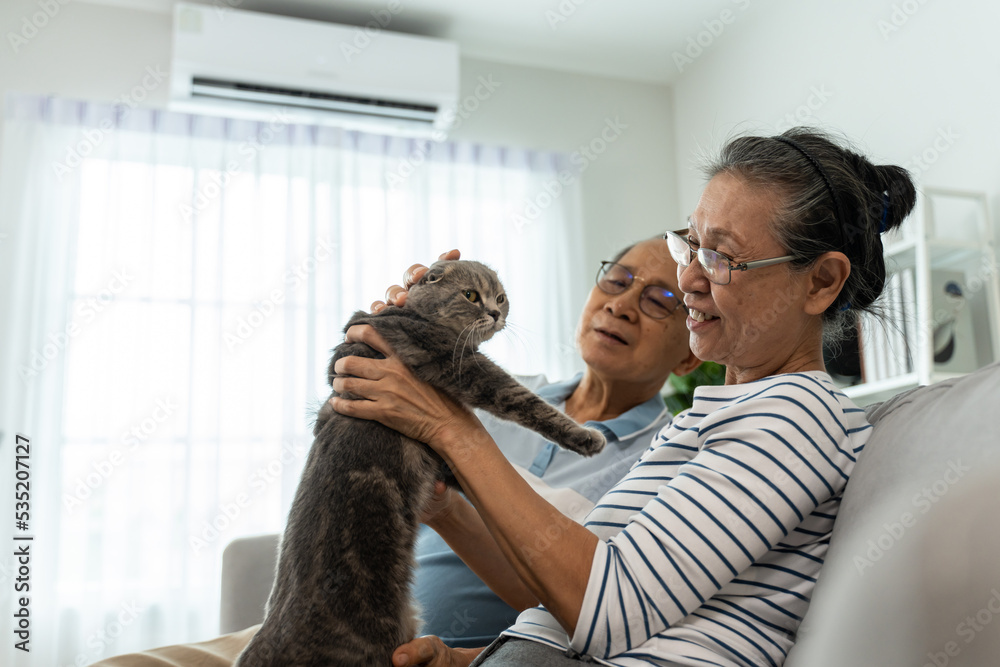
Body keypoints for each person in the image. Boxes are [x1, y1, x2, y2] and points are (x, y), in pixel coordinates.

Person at [329, 127, 916, 667]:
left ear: (820, 282)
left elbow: (610, 610)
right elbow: (649, 620)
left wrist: (446, 428)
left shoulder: (794, 417)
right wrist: (471, 659)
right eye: (692, 243)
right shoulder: (722, 418)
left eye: (723, 257)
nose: (689, 277)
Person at [92, 239, 700, 667]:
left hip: (434, 650)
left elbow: (597, 611)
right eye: (617, 279)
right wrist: (396, 334)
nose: (622, 303)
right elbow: (343, 406)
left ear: (690, 353)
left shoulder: (665, 460)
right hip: (307, 623)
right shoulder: (488, 384)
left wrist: (448, 494)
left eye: (660, 300)